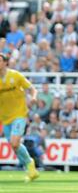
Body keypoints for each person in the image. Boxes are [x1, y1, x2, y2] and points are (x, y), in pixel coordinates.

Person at [0, 53, 39, 182]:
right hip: (5, 118)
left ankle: (29, 164)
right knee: (14, 145)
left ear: (6, 63)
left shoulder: (15, 76)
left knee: (15, 142)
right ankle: (30, 167)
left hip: (19, 114)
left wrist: (33, 97)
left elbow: (32, 89)